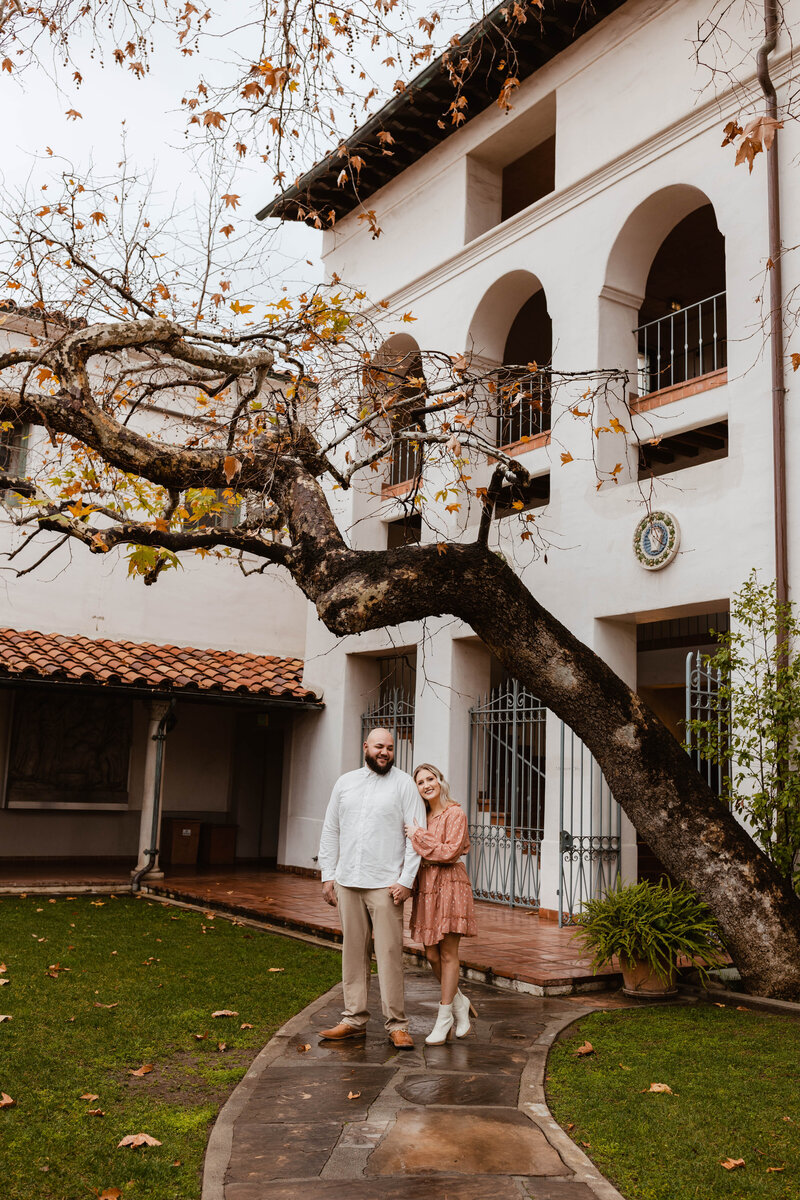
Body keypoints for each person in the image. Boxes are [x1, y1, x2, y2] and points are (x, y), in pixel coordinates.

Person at [317, 727, 426, 1049]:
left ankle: (397, 1024)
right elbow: (331, 830)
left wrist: (406, 880)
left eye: (390, 748)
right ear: (365, 747)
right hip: (348, 881)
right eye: (379, 746)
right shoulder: (345, 783)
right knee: (353, 954)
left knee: (390, 955)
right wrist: (328, 874)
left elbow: (415, 836)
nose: (385, 753)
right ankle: (353, 1019)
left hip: (385, 885)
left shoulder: (404, 784)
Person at [405, 762, 477, 1045]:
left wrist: (419, 838)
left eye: (430, 778)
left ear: (440, 780)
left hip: (450, 885)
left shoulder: (455, 812)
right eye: (420, 782)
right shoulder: (420, 817)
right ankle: (459, 1002)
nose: (426, 785)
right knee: (431, 955)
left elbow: (449, 852)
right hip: (427, 887)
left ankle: (444, 1015)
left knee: (447, 953)